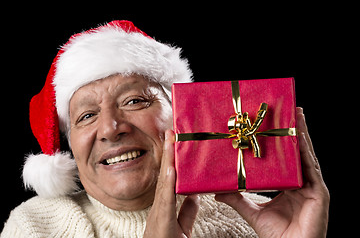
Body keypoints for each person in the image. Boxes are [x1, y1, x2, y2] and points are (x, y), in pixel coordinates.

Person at [1, 20, 329, 237]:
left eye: (134, 101)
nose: (111, 129)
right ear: (69, 143)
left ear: (182, 116)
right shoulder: (34, 227)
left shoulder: (265, 216)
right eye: (86, 116)